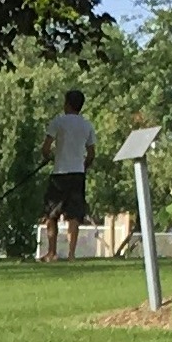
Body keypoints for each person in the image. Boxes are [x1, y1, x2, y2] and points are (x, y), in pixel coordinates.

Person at [40, 88, 96, 260]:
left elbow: (46, 147)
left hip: (59, 173)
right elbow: (91, 153)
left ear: (67, 104)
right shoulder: (87, 125)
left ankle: (52, 252)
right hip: (77, 174)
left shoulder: (59, 122)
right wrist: (83, 166)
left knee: (51, 214)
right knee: (74, 215)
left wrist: (48, 157)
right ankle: (71, 254)